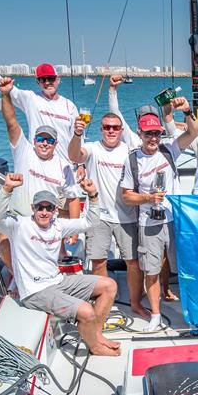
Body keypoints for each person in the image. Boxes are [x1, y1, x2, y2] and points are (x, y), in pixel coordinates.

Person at [0, 173, 120, 356]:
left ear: (55, 210)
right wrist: (7, 189)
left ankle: (96, 335)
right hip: (35, 291)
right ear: (32, 208)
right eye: (40, 207)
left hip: (57, 282)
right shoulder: (19, 226)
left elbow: (90, 222)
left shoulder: (58, 225)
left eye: (49, 208)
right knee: (86, 311)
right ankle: (95, 347)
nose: (44, 212)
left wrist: (93, 196)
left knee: (109, 286)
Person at [68, 113, 149, 319]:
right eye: (106, 127)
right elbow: (75, 156)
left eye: (115, 127)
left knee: (133, 262)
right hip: (99, 215)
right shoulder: (94, 148)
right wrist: (78, 134)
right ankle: (104, 305)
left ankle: (135, 302)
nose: (111, 130)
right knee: (98, 261)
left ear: (122, 131)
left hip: (127, 216)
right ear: (101, 129)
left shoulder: (130, 151)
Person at [0, 77, 79, 270]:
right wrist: (5, 94)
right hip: (21, 216)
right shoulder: (23, 151)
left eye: (49, 141)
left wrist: (73, 229)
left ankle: (54, 263)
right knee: (2, 242)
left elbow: (73, 198)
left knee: (54, 240)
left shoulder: (62, 166)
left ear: (55, 144)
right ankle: (17, 276)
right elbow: (11, 122)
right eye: (40, 139)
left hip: (46, 218)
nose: (44, 143)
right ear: (33, 140)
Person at [120, 112, 182, 332]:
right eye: (148, 133)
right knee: (151, 271)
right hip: (149, 223)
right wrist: (148, 198)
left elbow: (194, 132)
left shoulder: (169, 150)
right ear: (140, 134)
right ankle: (156, 315)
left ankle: (191, 310)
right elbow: (126, 196)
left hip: (175, 220)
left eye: (156, 133)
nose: (153, 138)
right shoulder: (132, 160)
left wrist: (180, 111)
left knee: (183, 268)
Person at [0, 56, 78, 164]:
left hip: (65, 166)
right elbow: (6, 88)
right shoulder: (31, 99)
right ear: (38, 82)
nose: (47, 82)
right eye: (42, 79)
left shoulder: (70, 106)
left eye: (51, 78)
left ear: (58, 80)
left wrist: (81, 164)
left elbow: (78, 135)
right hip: (38, 165)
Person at [107, 75, 181, 150]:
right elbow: (173, 134)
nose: (152, 138)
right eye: (148, 133)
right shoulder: (165, 143)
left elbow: (115, 114)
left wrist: (112, 89)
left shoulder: (132, 140)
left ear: (138, 119)